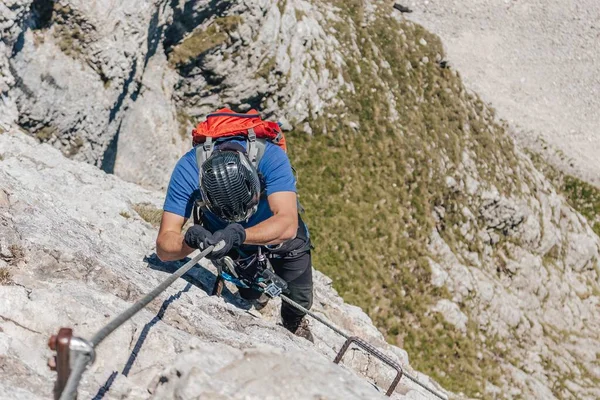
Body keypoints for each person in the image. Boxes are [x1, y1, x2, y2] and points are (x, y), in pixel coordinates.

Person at [156, 109, 314, 341]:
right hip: (228, 240)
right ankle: (257, 296)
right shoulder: (188, 169)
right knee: (249, 292)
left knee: (300, 297)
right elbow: (163, 247)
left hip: (274, 238)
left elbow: (287, 224)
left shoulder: (269, 157)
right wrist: (190, 240)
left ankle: (294, 322)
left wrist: (238, 233)